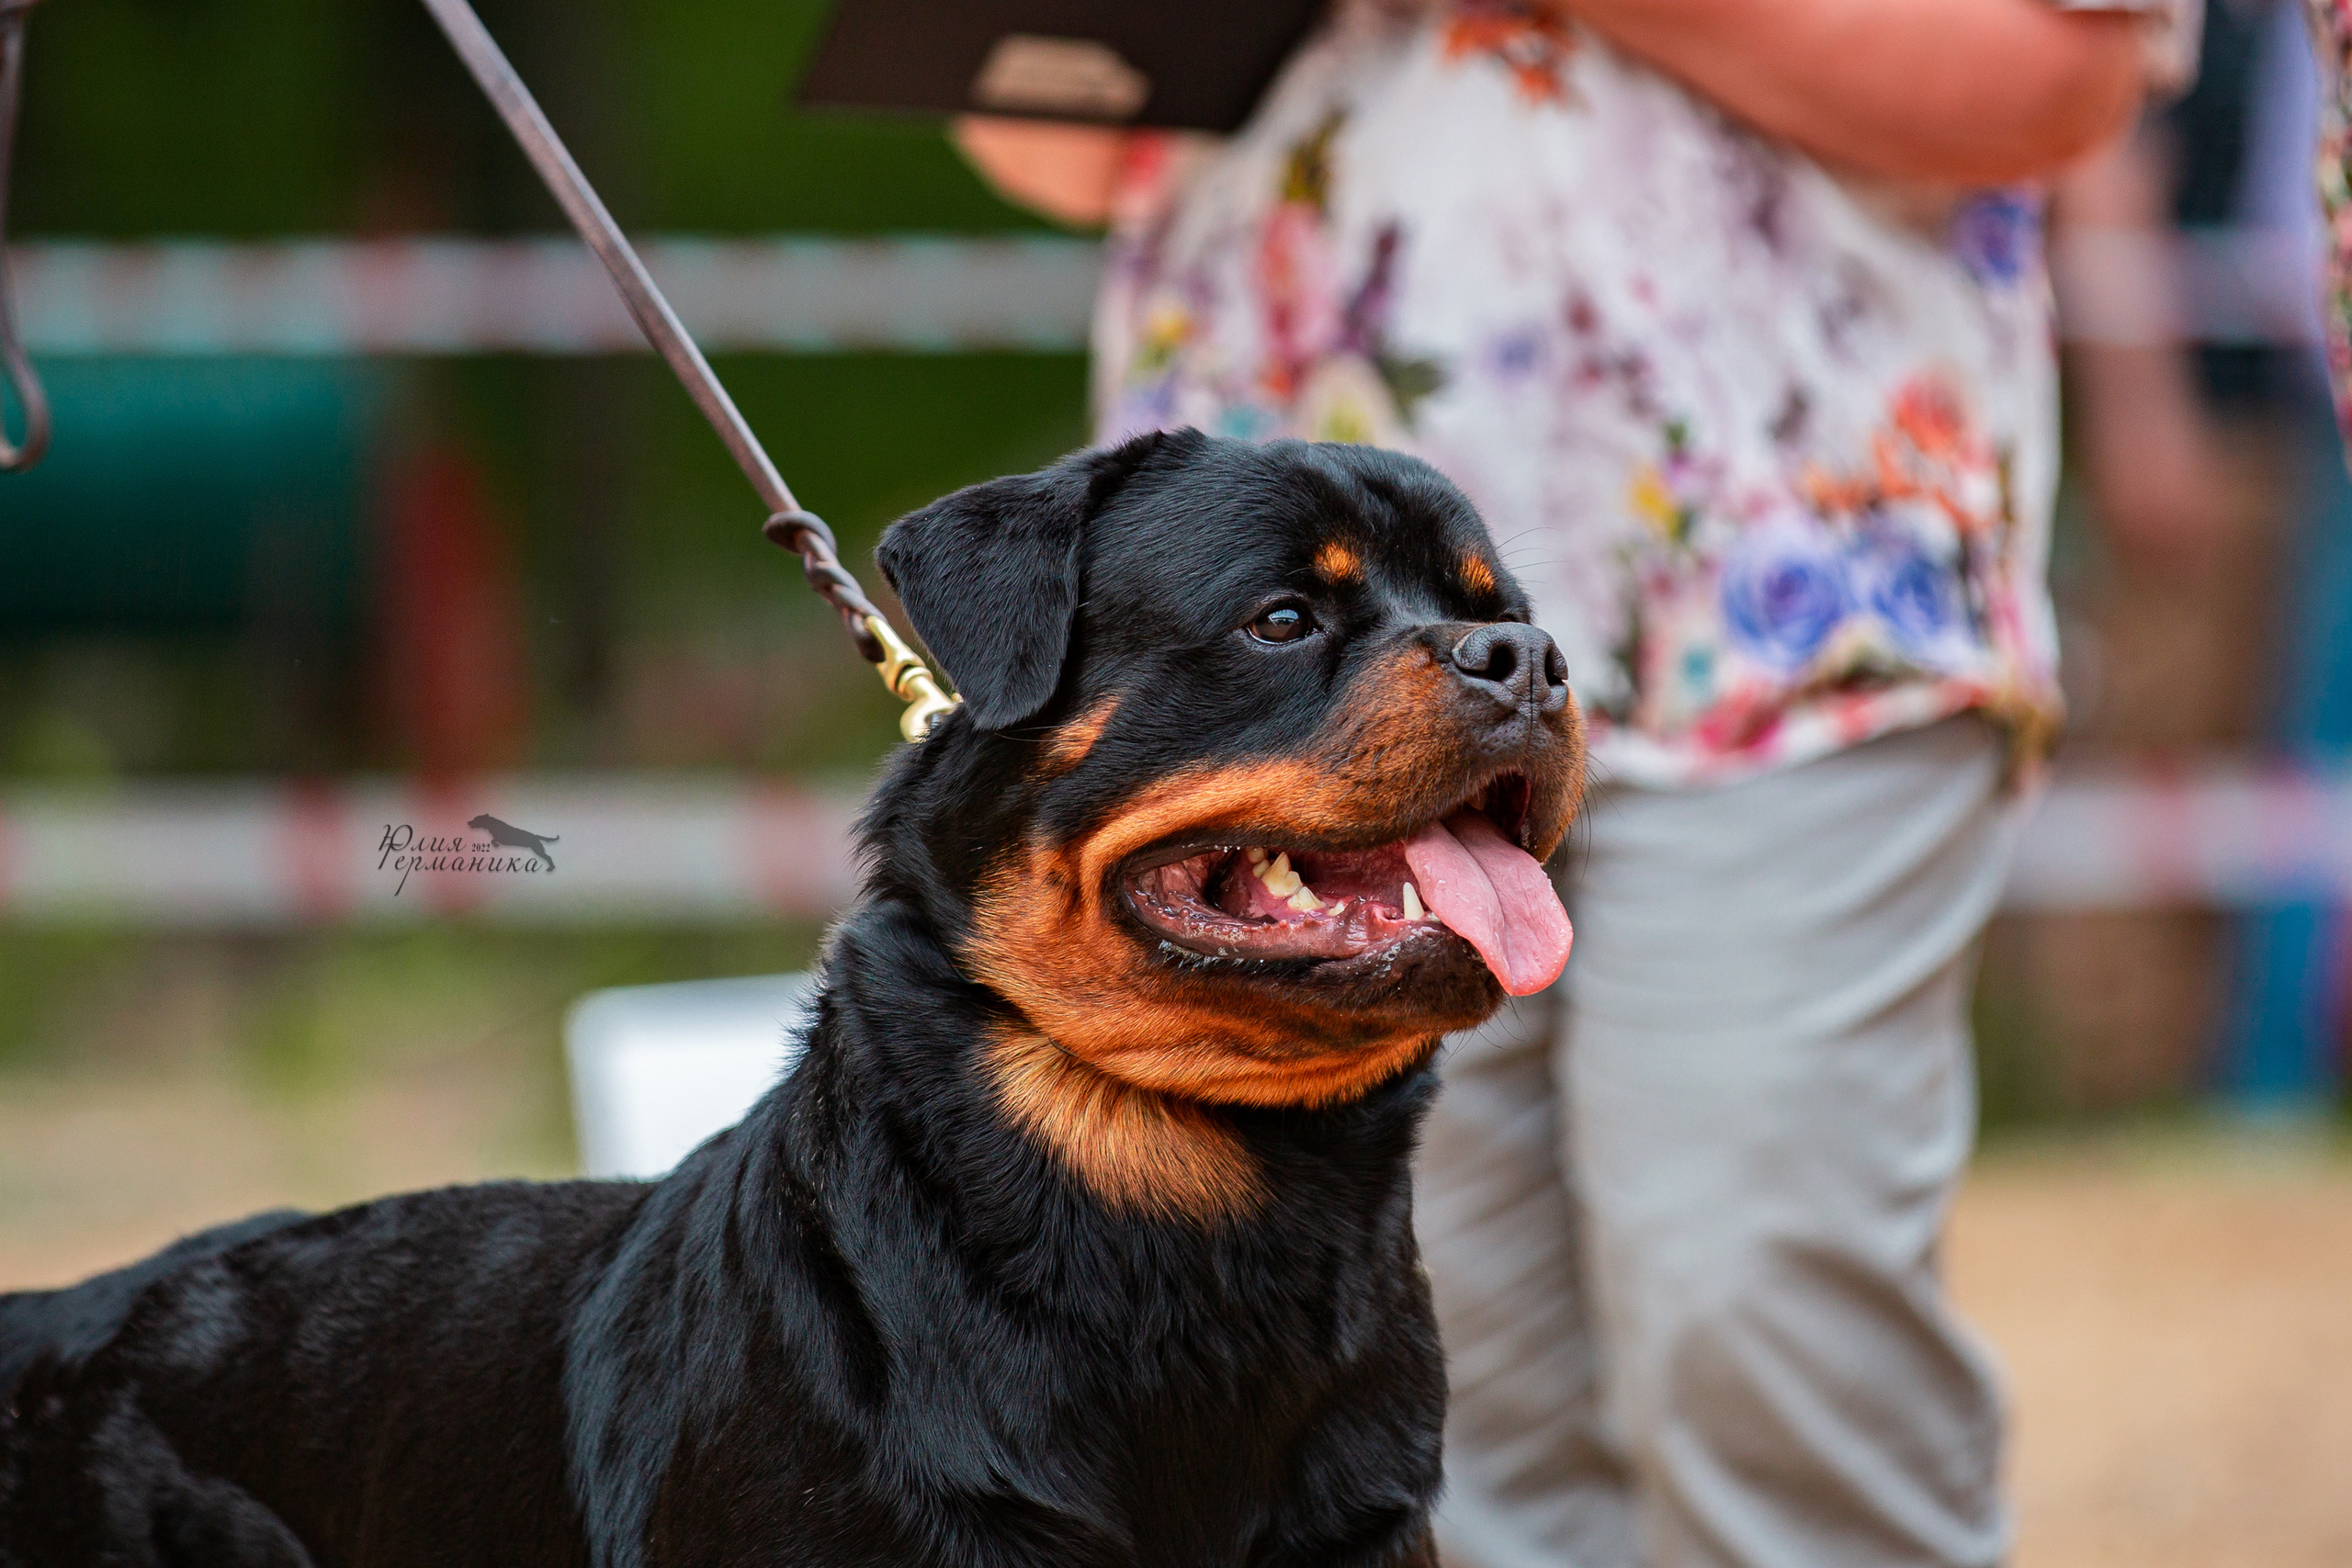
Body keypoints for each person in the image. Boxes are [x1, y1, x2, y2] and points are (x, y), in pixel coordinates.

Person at [959, 4, 2199, 1564]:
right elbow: (1046, 135)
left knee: (1759, 1305)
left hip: (1793, 581)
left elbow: (2057, 81)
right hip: (1256, 663)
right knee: (1426, 1406)